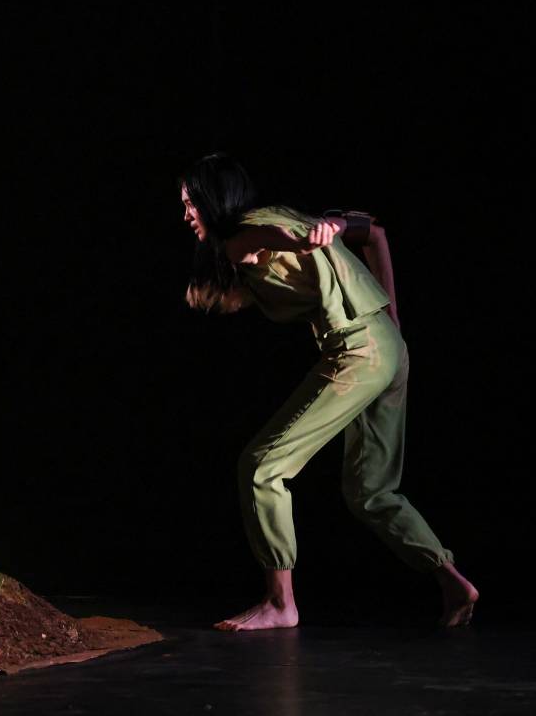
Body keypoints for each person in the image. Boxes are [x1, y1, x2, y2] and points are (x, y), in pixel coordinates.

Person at [179, 152, 478, 630]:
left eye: (190, 202)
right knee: (370, 491)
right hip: (390, 350)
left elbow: (279, 239)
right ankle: (452, 581)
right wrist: (391, 315)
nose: (187, 214)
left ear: (214, 201)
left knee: (261, 466)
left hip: (358, 354)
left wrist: (308, 236)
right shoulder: (282, 217)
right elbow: (373, 233)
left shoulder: (243, 238)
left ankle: (281, 605)